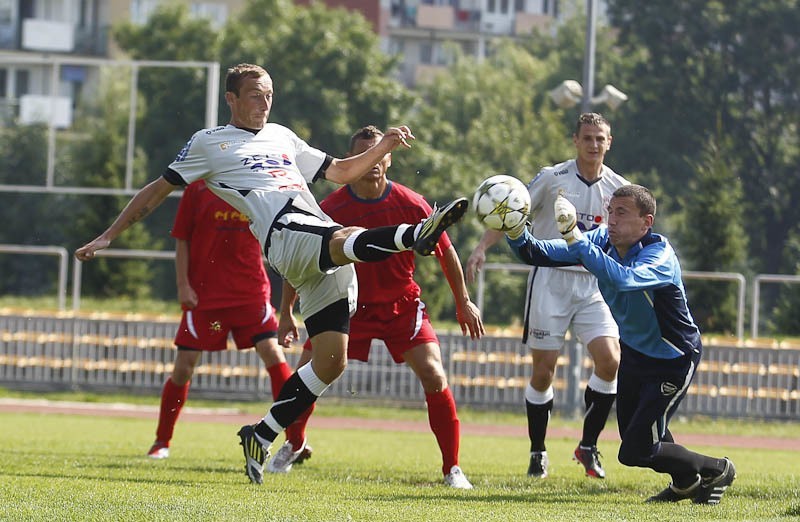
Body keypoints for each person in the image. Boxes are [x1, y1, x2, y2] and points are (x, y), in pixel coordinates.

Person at [75, 63, 469, 485]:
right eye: (254, 95)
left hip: (318, 242)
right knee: (347, 237)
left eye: (269, 95)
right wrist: (109, 235)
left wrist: (384, 144)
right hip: (285, 234)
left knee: (331, 363)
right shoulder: (209, 143)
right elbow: (156, 190)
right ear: (231, 99)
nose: (264, 103)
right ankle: (415, 236)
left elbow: (339, 171)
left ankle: (259, 435)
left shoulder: (282, 135)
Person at [272, 125, 485, 489]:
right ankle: (293, 445)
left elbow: (446, 250)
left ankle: (452, 469)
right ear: (354, 160)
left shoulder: (411, 202)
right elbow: (301, 259)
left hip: (401, 307)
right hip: (346, 306)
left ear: (388, 158)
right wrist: (286, 312)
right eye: (364, 154)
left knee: (434, 375)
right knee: (308, 375)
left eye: (380, 153)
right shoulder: (330, 207)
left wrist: (463, 300)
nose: (373, 161)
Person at [505, 184, 736, 504]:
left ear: (646, 222)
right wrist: (514, 229)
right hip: (635, 355)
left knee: (634, 451)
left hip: (673, 358)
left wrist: (577, 241)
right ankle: (687, 482)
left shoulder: (659, 255)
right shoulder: (601, 240)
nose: (611, 220)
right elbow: (537, 253)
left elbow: (624, 279)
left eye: (622, 213)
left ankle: (718, 468)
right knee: (640, 438)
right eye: (610, 211)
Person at [466, 112, 628, 479]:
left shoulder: (619, 188)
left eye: (600, 138)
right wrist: (482, 247)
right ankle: (538, 451)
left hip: (594, 284)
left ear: (609, 141)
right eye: (587, 138)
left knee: (611, 361)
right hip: (550, 282)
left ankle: (588, 446)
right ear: (575, 140)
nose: (593, 144)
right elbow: (511, 211)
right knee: (544, 372)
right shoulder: (553, 178)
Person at [147, 180, 292, 459]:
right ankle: (161, 441)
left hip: (249, 293)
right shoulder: (197, 188)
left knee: (273, 353)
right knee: (184, 367)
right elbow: (182, 239)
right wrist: (182, 285)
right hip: (205, 298)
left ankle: (295, 441)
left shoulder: (257, 183)